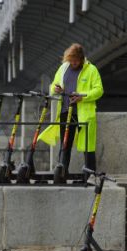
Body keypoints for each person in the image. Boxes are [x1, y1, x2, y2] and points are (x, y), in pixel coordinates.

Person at [38, 43, 104, 178]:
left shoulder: (91, 70)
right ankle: (62, 174)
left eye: (75, 60)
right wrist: (55, 89)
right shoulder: (64, 68)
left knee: (88, 147)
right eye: (70, 60)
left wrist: (82, 97)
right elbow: (53, 87)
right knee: (65, 144)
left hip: (83, 115)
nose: (72, 63)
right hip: (65, 112)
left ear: (81, 58)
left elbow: (99, 90)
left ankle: (90, 176)